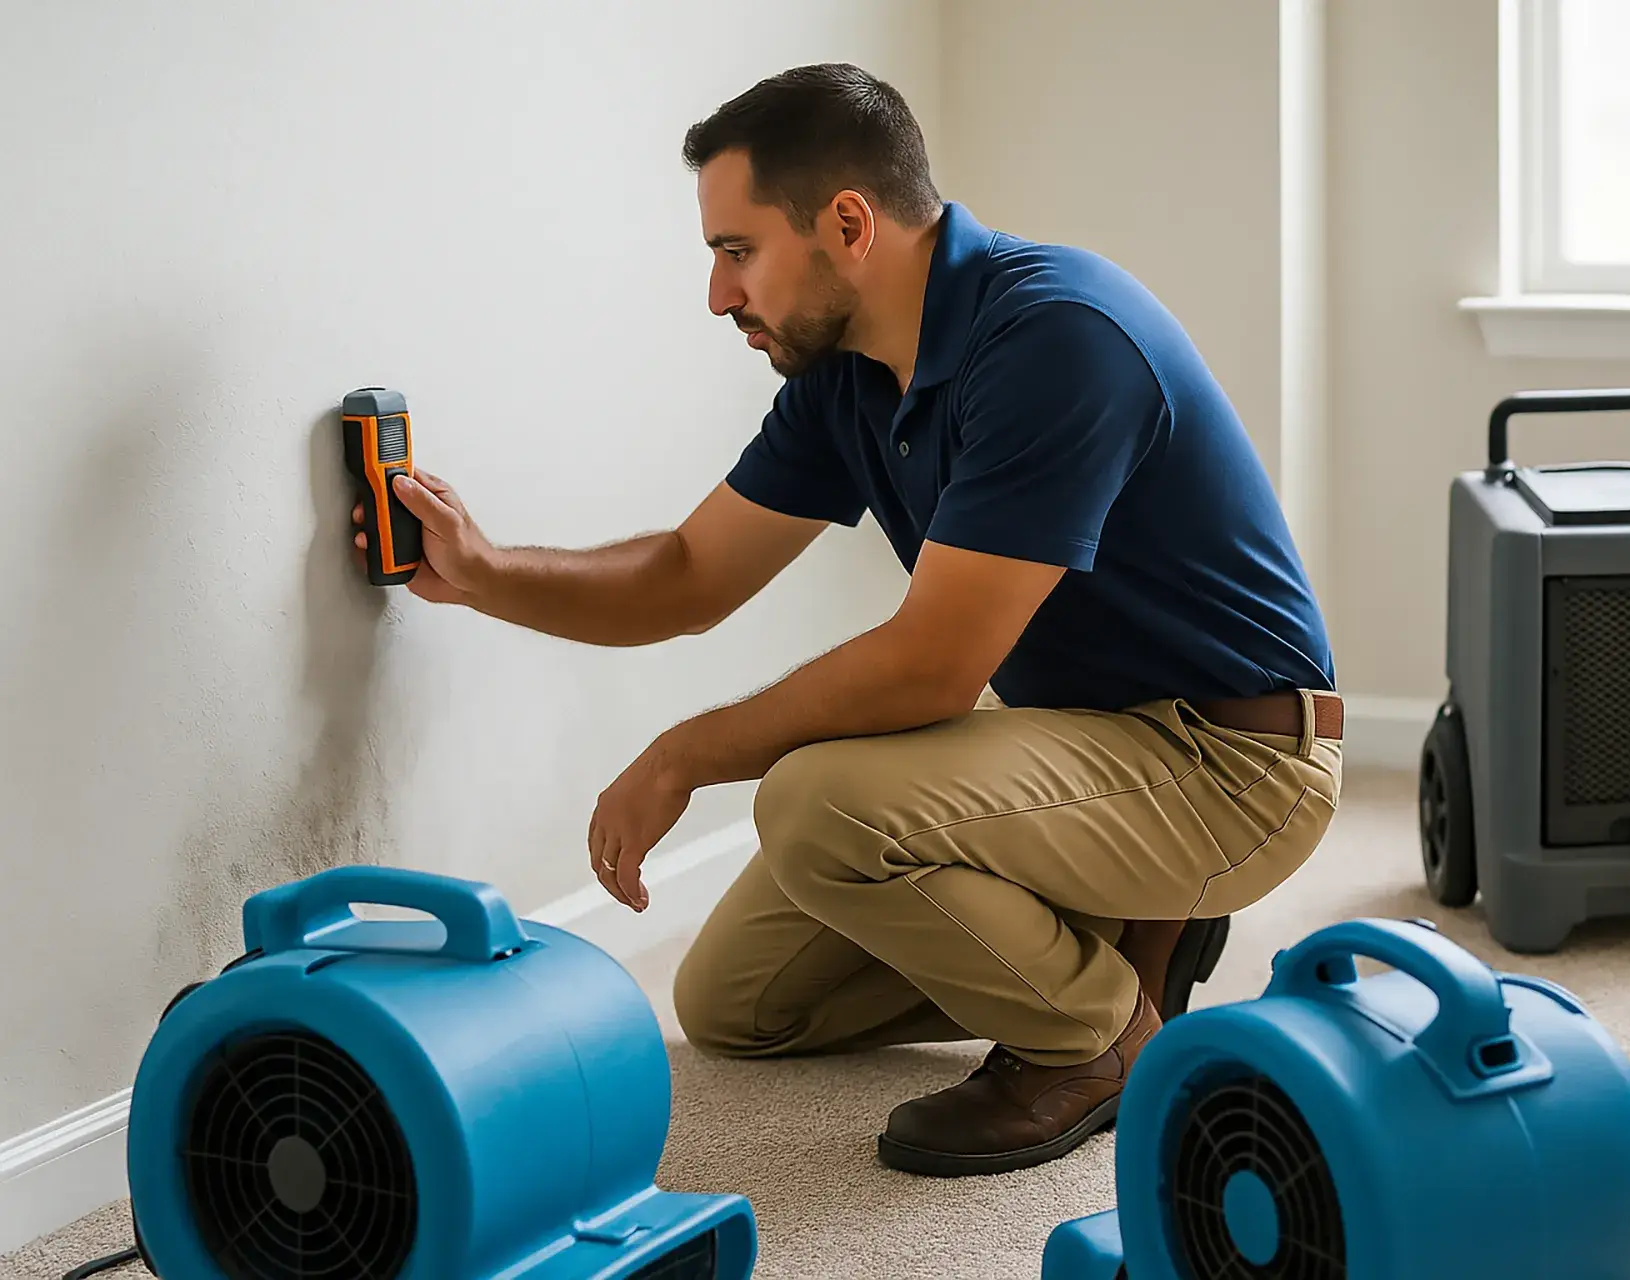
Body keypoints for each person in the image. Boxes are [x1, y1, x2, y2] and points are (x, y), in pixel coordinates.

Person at [351, 62, 1341, 1178]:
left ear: (849, 223)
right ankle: (1117, 918)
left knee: (815, 802)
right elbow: (685, 572)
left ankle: (1099, 1038)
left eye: (736, 251)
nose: (720, 296)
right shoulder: (850, 376)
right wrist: (483, 570)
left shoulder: (1056, 336)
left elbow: (932, 667)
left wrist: (683, 754)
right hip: (1088, 749)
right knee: (734, 1000)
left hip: (1233, 762)